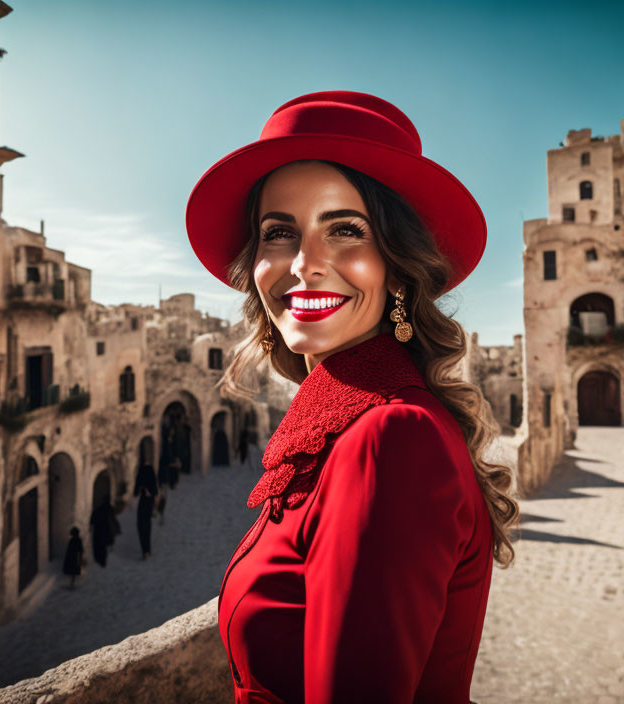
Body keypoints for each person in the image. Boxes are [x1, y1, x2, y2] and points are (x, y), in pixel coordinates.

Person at [185, 90, 520, 702]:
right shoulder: (353, 420)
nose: (304, 264)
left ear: (397, 267)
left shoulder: (389, 439)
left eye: (345, 229)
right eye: (279, 232)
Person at [133, 463, 157, 559]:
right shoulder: (149, 475)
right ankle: (146, 550)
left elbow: (135, 493)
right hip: (146, 506)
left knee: (143, 527)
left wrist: (145, 490)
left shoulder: (143, 475)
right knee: (145, 527)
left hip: (145, 506)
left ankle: (146, 550)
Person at [88, 496, 114, 568]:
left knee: (98, 545)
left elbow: (93, 520)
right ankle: (102, 561)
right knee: (103, 546)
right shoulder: (109, 510)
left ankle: (99, 559)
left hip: (98, 530)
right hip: (104, 530)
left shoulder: (98, 510)